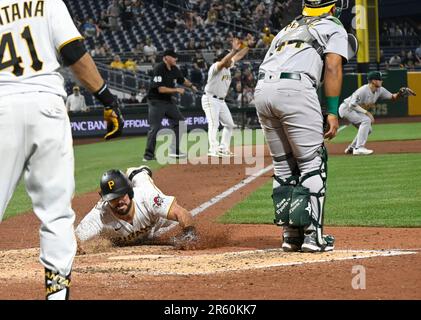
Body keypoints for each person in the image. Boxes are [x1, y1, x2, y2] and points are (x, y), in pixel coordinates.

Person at [0, 0, 122, 300]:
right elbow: (73, 53)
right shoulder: (49, 2)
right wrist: (107, 98)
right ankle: (56, 295)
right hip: (47, 107)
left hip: (2, 105)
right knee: (56, 214)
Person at [253, 0, 350, 253]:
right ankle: (312, 237)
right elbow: (332, 66)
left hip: (263, 91)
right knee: (311, 163)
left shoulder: (287, 28)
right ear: (331, 7)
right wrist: (331, 111)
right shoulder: (333, 25)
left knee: (284, 166)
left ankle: (290, 235)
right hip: (294, 88)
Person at [75, 166, 198, 250]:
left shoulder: (146, 197)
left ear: (130, 192)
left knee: (143, 181)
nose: (119, 201)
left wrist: (190, 233)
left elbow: (181, 212)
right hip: (143, 223)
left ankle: (138, 172)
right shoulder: (99, 215)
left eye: (121, 195)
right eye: (113, 198)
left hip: (156, 219)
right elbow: (75, 240)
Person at [340, 71, 416, 155]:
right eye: (379, 79)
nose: (381, 81)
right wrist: (367, 113)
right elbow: (352, 105)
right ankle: (359, 148)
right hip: (346, 109)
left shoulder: (380, 90)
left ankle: (352, 148)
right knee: (366, 120)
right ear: (373, 81)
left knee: (368, 129)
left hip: (355, 110)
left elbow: (393, 97)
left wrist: (400, 94)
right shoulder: (363, 90)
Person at [143, 49, 197, 161]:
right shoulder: (159, 69)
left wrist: (191, 86)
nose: (175, 59)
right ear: (166, 58)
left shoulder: (174, 68)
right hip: (156, 101)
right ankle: (148, 155)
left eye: (175, 57)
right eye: (173, 57)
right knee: (155, 127)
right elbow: (160, 89)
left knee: (180, 122)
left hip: (168, 101)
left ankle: (175, 150)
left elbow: (182, 80)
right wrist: (176, 90)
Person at [201, 38, 249, 157]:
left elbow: (239, 56)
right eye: (229, 59)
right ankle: (213, 149)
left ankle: (223, 148)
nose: (231, 61)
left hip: (221, 101)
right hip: (210, 99)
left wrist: (247, 45)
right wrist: (233, 51)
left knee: (229, 124)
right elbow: (224, 61)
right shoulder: (216, 66)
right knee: (214, 124)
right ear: (224, 58)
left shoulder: (228, 66)